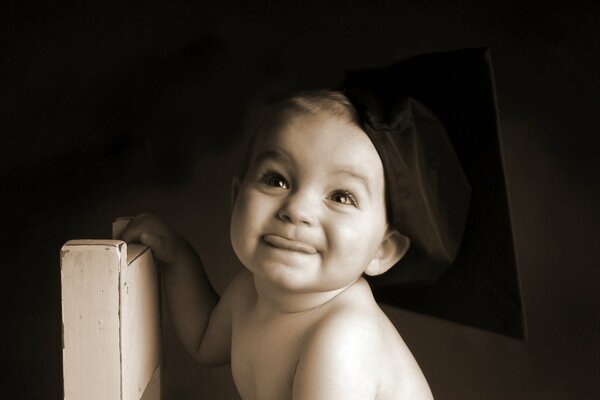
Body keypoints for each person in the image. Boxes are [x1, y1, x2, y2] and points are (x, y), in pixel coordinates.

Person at [122, 90, 435, 399]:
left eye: (341, 197)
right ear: (237, 199)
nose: (297, 209)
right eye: (276, 180)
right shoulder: (251, 288)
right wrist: (177, 256)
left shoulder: (343, 338)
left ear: (383, 250)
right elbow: (205, 339)